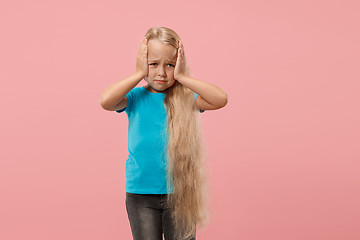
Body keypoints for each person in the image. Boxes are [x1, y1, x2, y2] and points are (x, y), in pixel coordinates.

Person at [100, 26, 228, 240]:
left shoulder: (187, 99)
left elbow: (220, 99)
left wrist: (182, 77)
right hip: (141, 195)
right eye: (153, 64)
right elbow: (106, 101)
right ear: (144, 62)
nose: (161, 72)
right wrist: (139, 72)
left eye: (169, 65)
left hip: (181, 195)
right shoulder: (134, 97)